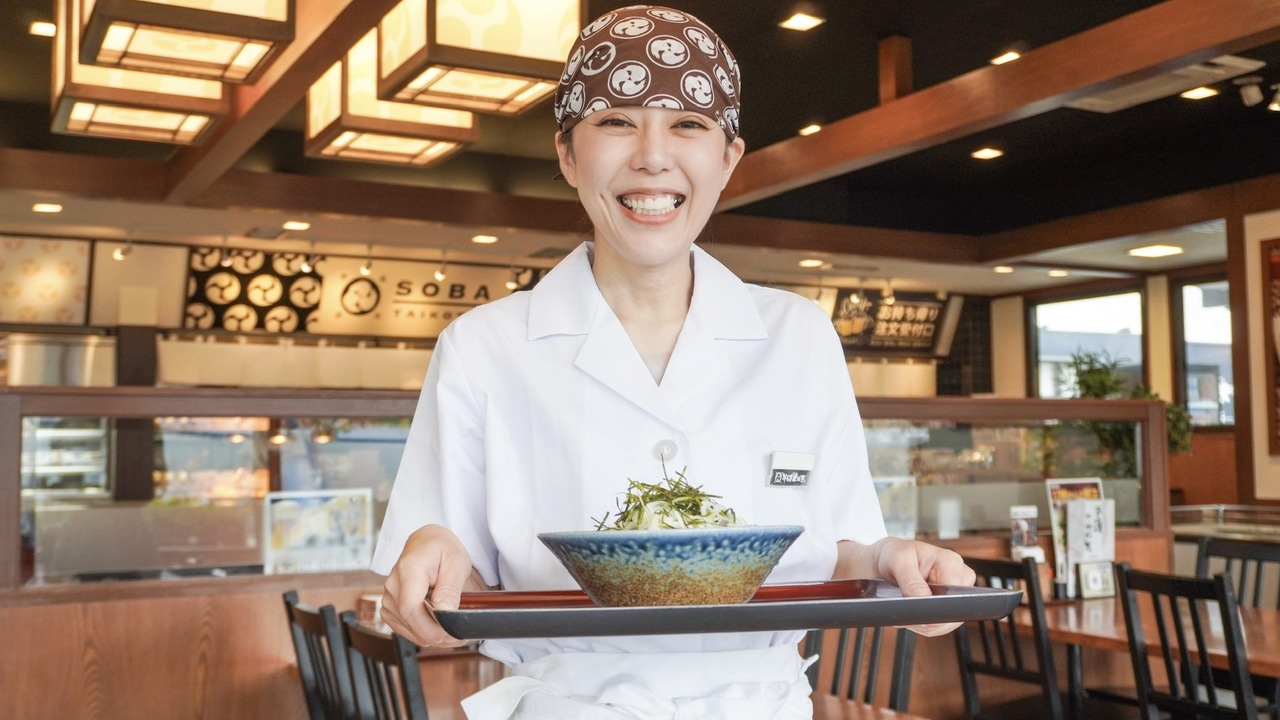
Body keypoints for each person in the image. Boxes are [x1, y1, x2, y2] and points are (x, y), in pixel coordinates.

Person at [372, 6, 975, 718]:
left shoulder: (799, 336)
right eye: (617, 122)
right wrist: (435, 544)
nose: (653, 155)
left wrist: (892, 565)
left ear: (728, 159)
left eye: (687, 124)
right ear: (567, 155)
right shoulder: (483, 348)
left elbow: (837, 553)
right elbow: (448, 578)